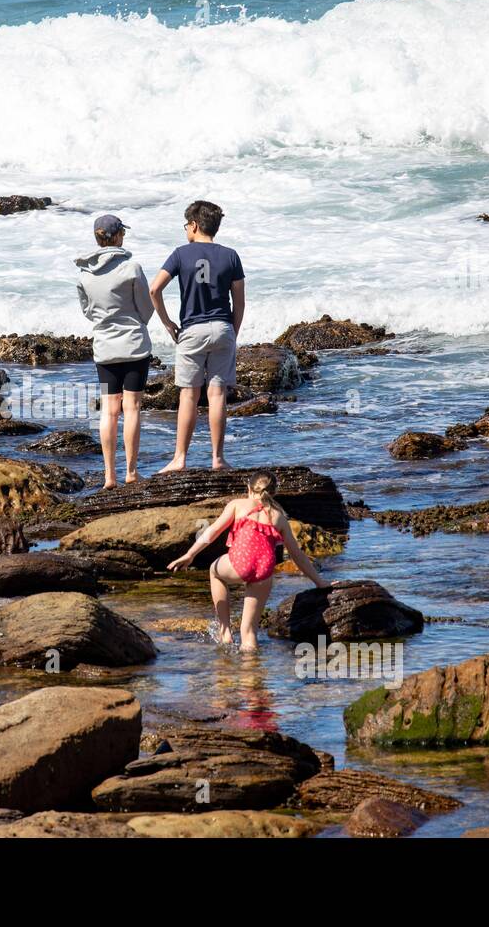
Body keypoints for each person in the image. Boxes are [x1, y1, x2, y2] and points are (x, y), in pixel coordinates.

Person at [167, 471, 328, 652]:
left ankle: (225, 631)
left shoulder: (237, 505)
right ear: (273, 492)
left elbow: (212, 532)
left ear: (249, 489)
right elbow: (297, 555)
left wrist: (190, 554)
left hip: (239, 563)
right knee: (249, 632)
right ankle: (252, 673)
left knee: (214, 570)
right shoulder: (279, 516)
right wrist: (319, 582)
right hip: (264, 569)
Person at [149, 199, 245, 471]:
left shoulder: (181, 254)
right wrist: (232, 333)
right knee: (217, 396)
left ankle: (180, 459)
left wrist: (167, 323)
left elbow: (154, 290)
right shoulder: (231, 255)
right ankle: (218, 458)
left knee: (189, 396)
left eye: (185, 225)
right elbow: (239, 302)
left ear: (194, 225)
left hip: (192, 330)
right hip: (222, 327)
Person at [75, 213, 154, 487]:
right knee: (132, 408)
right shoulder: (132, 268)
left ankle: (109, 476)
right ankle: (131, 473)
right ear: (118, 235)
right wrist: (134, 322)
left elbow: (87, 311)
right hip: (133, 346)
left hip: (105, 348)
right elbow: (147, 308)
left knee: (110, 410)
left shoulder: (85, 274)